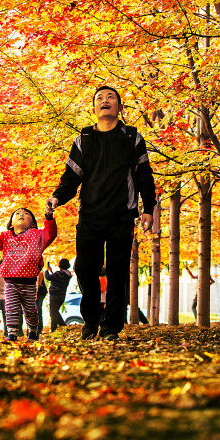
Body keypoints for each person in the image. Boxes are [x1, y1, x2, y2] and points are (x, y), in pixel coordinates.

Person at [47, 85, 157, 341]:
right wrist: (57, 197)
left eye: (111, 97)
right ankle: (91, 321)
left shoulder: (132, 137)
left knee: (118, 273)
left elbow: (144, 176)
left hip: (122, 214)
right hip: (90, 216)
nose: (105, 101)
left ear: (119, 106)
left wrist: (148, 209)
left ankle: (111, 328)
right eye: (100, 98)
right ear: (94, 108)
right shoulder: (83, 140)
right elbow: (71, 179)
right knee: (86, 269)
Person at [0, 208, 57, 341]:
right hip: (10, 281)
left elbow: (50, 234)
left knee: (30, 310)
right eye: (17, 214)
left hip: (29, 281)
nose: (21, 215)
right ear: (11, 223)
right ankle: (12, 333)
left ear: (33, 224)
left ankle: (33, 329)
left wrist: (49, 218)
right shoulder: (6, 236)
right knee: (11, 308)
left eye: (26, 214)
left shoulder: (37, 235)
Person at [45, 258, 73, 332]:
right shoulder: (68, 274)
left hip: (54, 295)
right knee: (56, 311)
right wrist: (51, 271)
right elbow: (56, 278)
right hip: (62, 295)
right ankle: (63, 326)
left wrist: (46, 270)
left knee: (53, 313)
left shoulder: (59, 274)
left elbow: (48, 277)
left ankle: (53, 329)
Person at [35, 270, 48, 335]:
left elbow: (39, 285)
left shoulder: (39, 272)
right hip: (36, 292)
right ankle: (36, 328)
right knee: (37, 309)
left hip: (40, 292)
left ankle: (39, 328)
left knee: (38, 309)